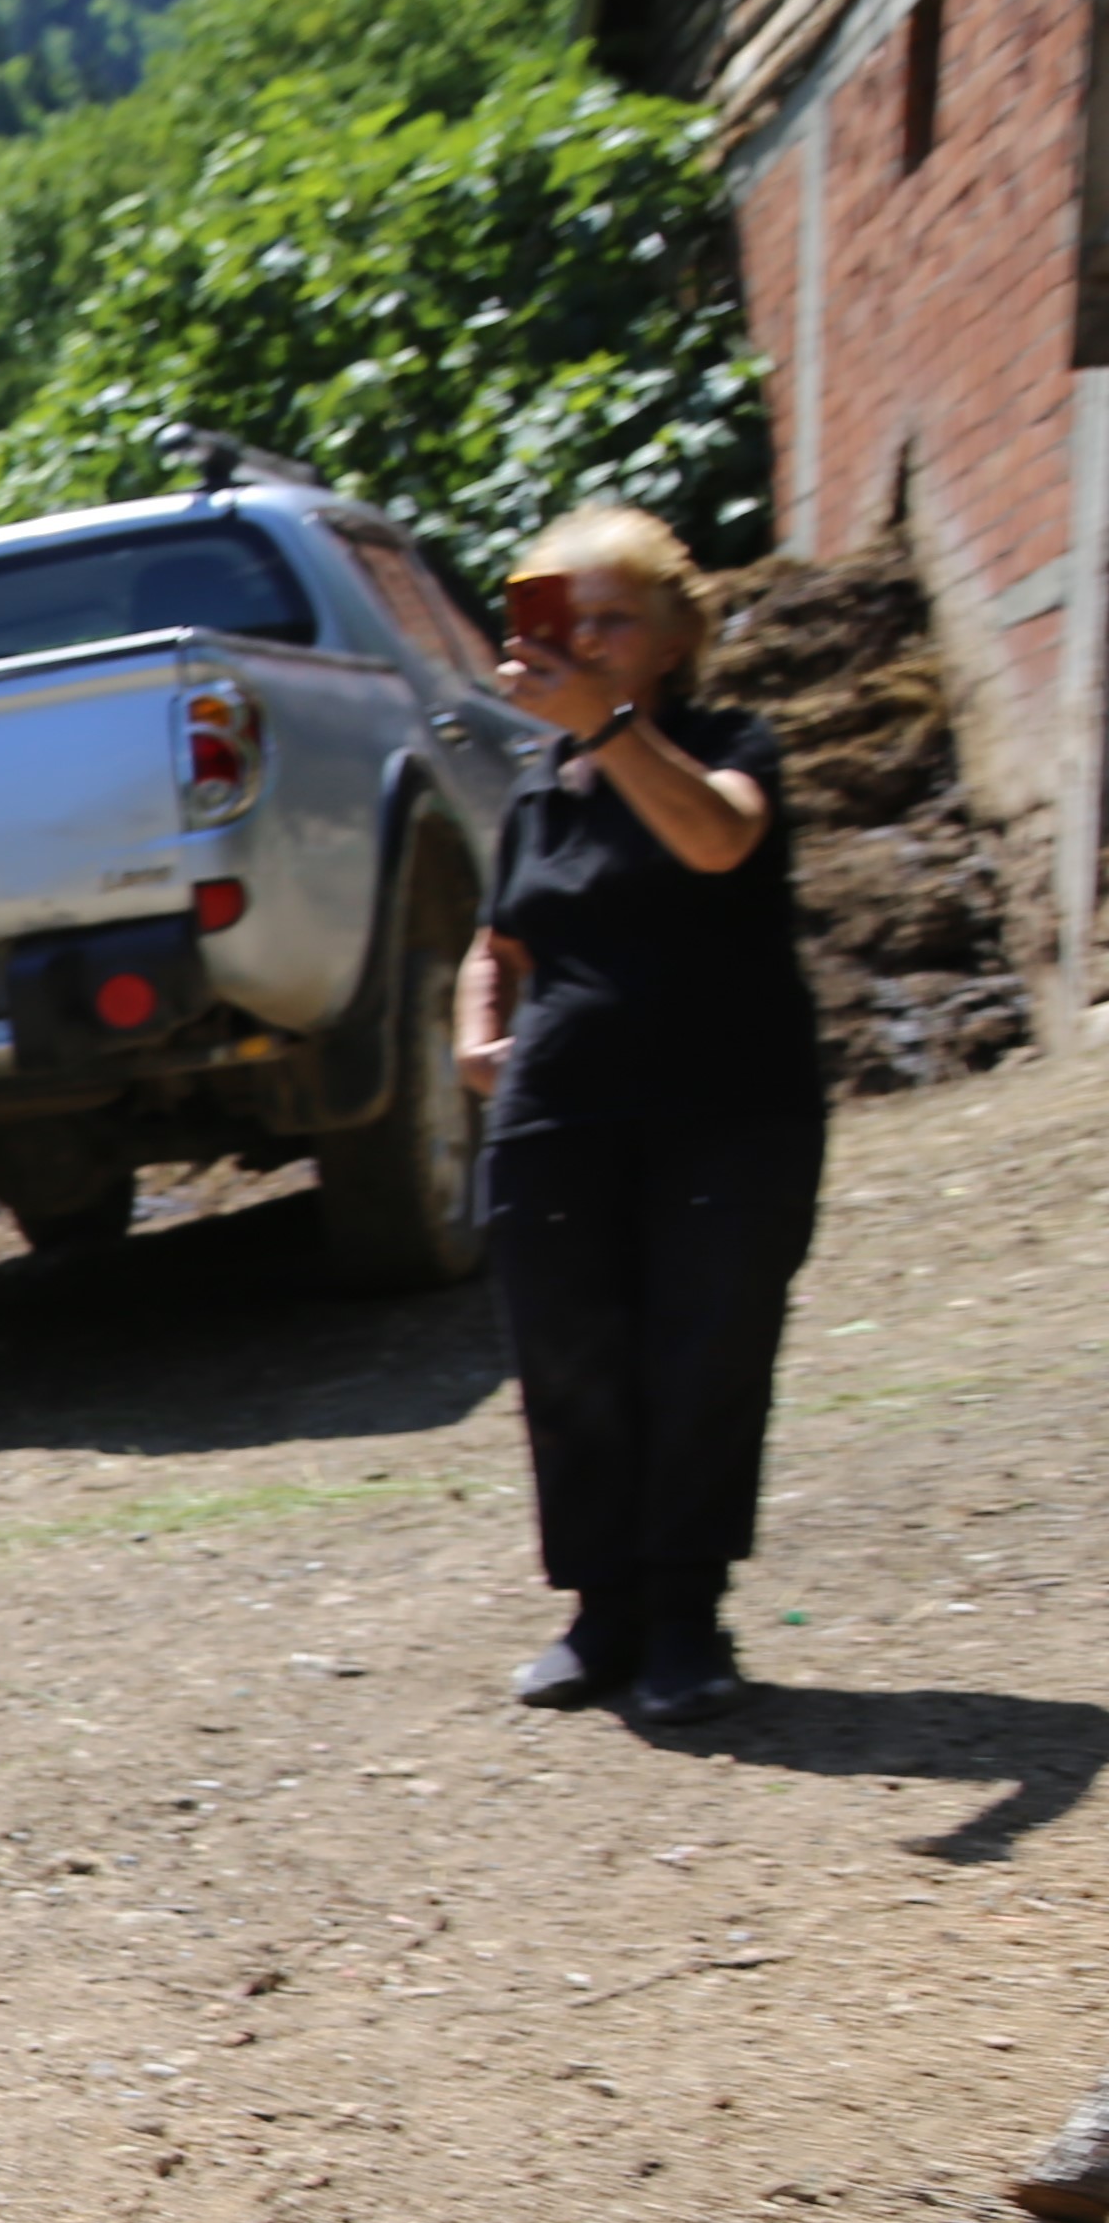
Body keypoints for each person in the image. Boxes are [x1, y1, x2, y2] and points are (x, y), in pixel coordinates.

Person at [455, 503, 810, 1728]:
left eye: (616, 620)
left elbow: (717, 843)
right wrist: (477, 1026)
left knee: (701, 1358)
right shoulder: (539, 789)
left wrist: (605, 729)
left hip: (729, 1110)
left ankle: (682, 1621)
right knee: (572, 1364)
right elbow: (495, 941)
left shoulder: (732, 744)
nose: (591, 639)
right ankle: (601, 1613)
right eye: (572, 619)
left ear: (673, 639)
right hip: (559, 1120)